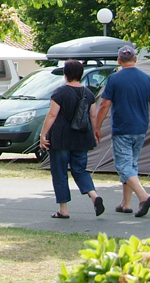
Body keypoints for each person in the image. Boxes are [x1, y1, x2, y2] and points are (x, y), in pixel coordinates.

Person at [94, 45, 150, 218]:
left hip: (122, 128)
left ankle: (143, 196)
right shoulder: (148, 79)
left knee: (123, 165)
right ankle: (126, 203)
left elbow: (104, 105)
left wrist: (97, 126)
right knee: (131, 164)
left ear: (119, 60)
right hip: (140, 129)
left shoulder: (114, 79)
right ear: (135, 59)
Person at [38, 60, 104, 219]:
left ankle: (63, 209)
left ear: (65, 75)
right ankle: (94, 196)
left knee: (60, 172)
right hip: (82, 137)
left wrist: (43, 134)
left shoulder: (60, 92)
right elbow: (92, 115)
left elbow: (52, 114)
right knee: (80, 170)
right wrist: (95, 131)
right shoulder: (89, 94)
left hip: (61, 138)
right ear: (81, 74)